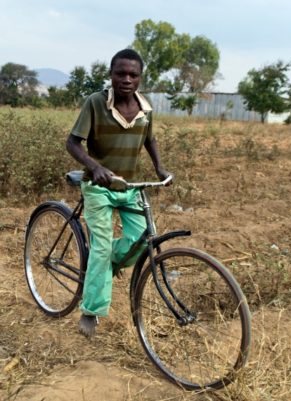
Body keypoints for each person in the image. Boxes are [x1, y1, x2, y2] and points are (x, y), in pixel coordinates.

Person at [66, 48, 170, 338]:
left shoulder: (146, 108)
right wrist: (93, 166)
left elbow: (150, 140)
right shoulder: (95, 103)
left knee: (143, 239)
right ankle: (91, 310)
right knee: (100, 247)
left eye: (133, 74)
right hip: (99, 188)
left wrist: (160, 168)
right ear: (111, 75)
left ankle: (106, 265)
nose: (126, 79)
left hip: (130, 187)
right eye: (120, 73)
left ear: (140, 78)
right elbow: (72, 143)